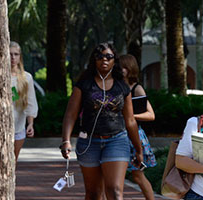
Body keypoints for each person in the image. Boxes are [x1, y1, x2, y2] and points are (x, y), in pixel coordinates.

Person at [59, 42, 143, 200]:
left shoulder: (122, 86)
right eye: (100, 56)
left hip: (116, 141)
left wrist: (138, 149)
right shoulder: (84, 84)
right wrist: (66, 140)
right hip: (89, 142)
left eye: (108, 56)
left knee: (115, 191)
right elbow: (70, 115)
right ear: (94, 60)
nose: (104, 59)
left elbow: (130, 120)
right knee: (94, 194)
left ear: (114, 60)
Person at [119, 54, 157, 200]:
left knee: (138, 175)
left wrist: (131, 116)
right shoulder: (114, 86)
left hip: (133, 135)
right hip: (117, 134)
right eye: (119, 67)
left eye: (124, 67)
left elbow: (150, 115)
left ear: (131, 69)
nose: (121, 70)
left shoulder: (137, 88)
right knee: (114, 176)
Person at [10, 41, 38, 161]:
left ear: (20, 56)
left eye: (16, 54)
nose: (12, 57)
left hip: (18, 126)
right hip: (0, 127)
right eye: (10, 54)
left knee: (13, 161)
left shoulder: (27, 77)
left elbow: (31, 101)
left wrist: (30, 123)